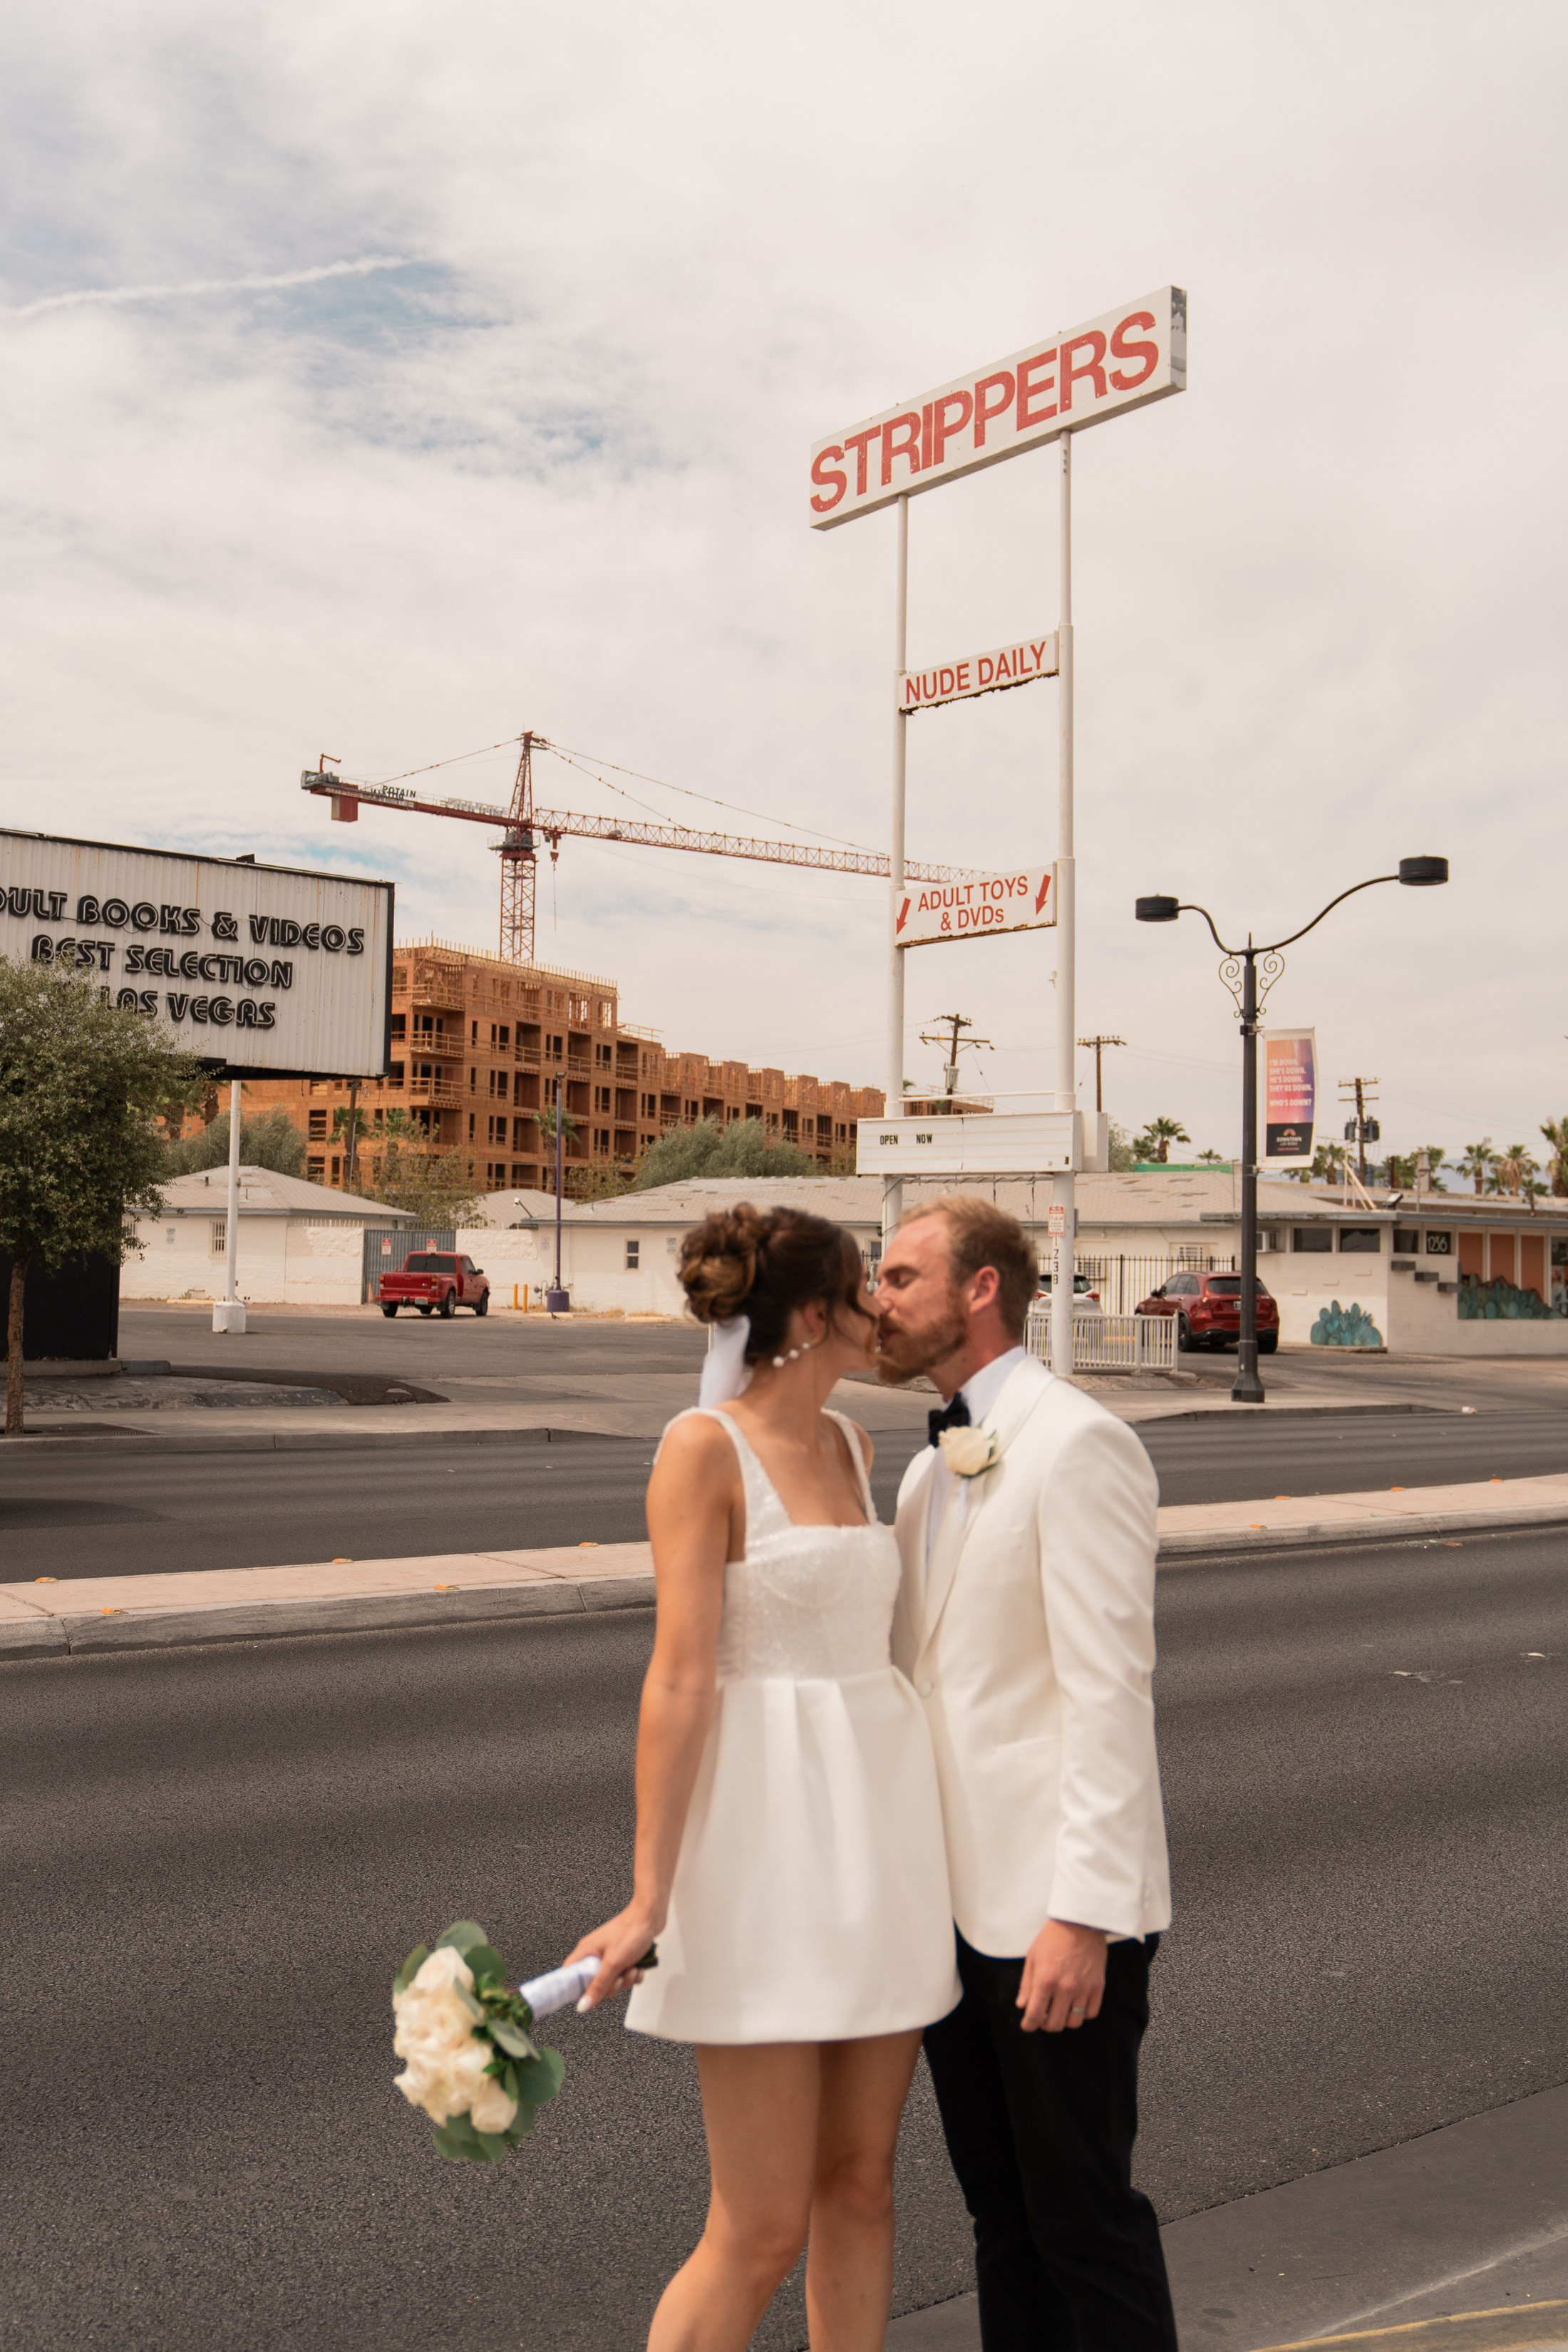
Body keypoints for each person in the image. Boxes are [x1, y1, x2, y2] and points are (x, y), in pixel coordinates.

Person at [570, 1202, 959, 2352]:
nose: (885, 1309)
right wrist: (650, 1898)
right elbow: (679, 1680)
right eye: (868, 1287)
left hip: (882, 1842)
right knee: (758, 2225)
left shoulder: (854, 1445)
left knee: (864, 2185)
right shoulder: (702, 1450)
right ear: (813, 1314)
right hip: (766, 1855)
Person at [875, 1193, 1177, 2352]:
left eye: (902, 1276)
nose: (880, 1299)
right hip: (956, 1921)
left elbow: (1110, 1694)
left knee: (1083, 2218)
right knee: (1001, 2217)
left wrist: (1083, 1916)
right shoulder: (923, 1475)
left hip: (1054, 1918)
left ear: (982, 1287)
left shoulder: (1080, 1441)